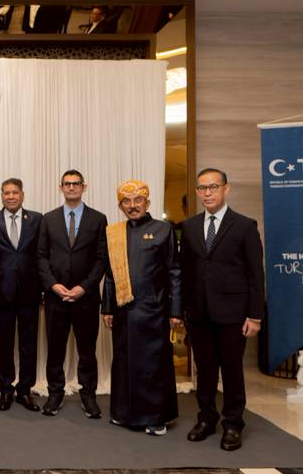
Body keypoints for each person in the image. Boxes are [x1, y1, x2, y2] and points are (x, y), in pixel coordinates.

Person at [181, 168, 264, 451]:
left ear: (225, 188)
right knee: (204, 371)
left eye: (213, 187)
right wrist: (183, 312)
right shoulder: (189, 227)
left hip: (233, 313)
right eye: (202, 188)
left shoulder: (244, 226)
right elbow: (185, 272)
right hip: (198, 313)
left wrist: (255, 315)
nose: (207, 193)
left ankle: (233, 424)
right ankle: (206, 419)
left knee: (231, 370)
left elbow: (256, 275)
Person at [101, 180, 182, 436]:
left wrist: (176, 311)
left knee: (152, 365)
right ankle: (123, 413)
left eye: (138, 200)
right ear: (120, 206)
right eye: (126, 201)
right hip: (123, 311)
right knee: (123, 362)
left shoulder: (163, 230)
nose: (132, 205)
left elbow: (175, 272)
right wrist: (107, 308)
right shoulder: (115, 232)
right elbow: (111, 274)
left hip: (153, 311)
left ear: (147, 203)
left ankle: (155, 418)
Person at [37, 170, 107, 418]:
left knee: (87, 351)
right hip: (55, 298)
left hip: (86, 298)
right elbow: (41, 256)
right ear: (61, 187)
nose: (71, 187)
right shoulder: (48, 219)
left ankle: (88, 396)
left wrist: (83, 287)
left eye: (76, 183)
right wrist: (52, 285)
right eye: (67, 184)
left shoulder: (98, 219)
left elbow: (102, 259)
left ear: (83, 187)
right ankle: (55, 394)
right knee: (55, 349)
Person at [0, 178, 42, 412]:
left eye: (15, 192)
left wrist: (44, 290)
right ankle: (6, 390)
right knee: (5, 345)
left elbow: (42, 255)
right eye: (6, 193)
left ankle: (25, 390)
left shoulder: (37, 219)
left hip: (30, 293)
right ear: (1, 196)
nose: (10, 196)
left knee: (29, 345)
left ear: (22, 195)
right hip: (2, 293)